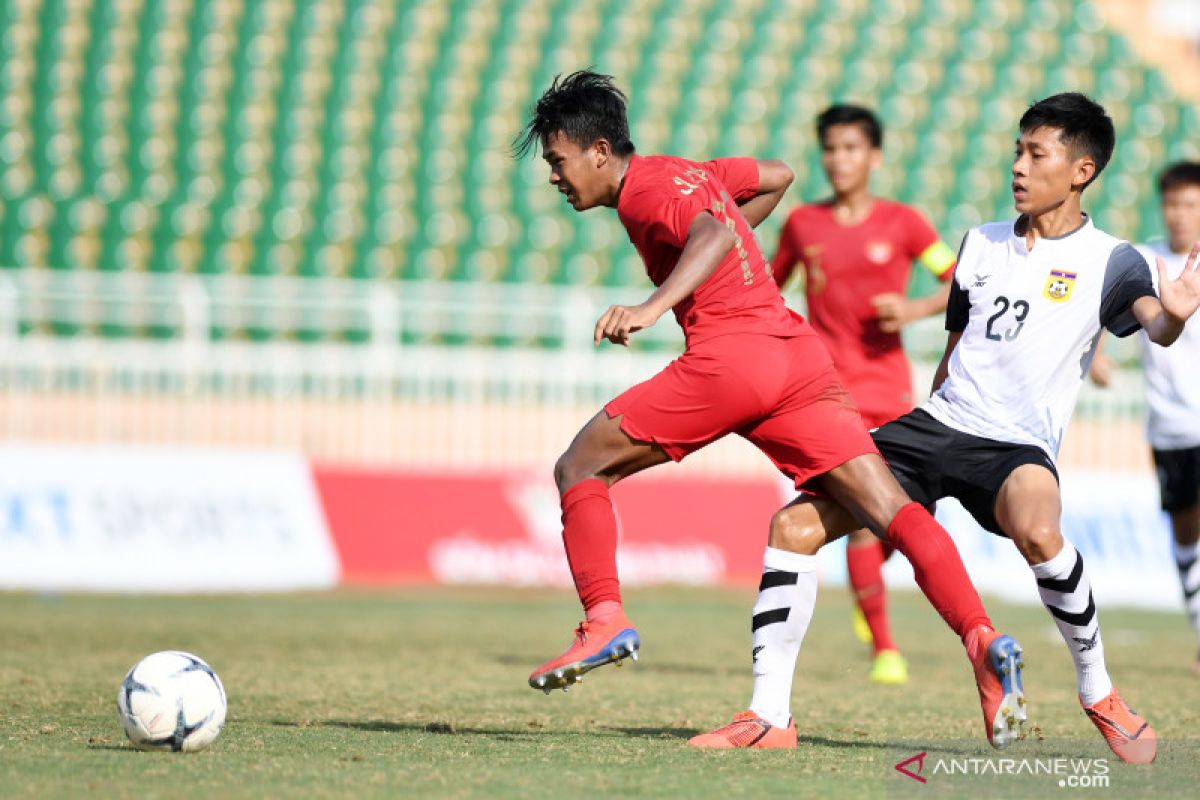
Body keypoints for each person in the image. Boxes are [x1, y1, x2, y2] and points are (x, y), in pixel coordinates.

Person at [513, 70, 1026, 751]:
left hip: (733, 359)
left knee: (580, 467)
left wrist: (654, 304)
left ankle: (603, 618)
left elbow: (713, 236)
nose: (555, 175)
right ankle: (980, 641)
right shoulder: (692, 172)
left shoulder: (648, 193)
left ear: (599, 150)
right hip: (798, 357)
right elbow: (776, 176)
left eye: (557, 160)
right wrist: (728, 234)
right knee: (890, 510)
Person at [701, 93, 1200, 763]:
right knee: (792, 528)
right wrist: (924, 426)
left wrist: (1174, 316)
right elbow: (954, 350)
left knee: (1041, 532)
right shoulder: (980, 243)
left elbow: (1156, 325)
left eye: (1036, 153)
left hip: (1016, 443)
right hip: (934, 425)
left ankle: (1099, 691)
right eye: (1017, 150)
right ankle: (768, 714)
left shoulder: (1113, 261)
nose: (1018, 165)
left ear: (1081, 170)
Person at [771, 104, 958, 685]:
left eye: (851, 148)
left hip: (892, 392)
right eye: (830, 148)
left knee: (904, 514)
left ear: (873, 157)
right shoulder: (802, 225)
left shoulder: (905, 224)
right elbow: (769, 292)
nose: (839, 160)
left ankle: (866, 584)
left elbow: (956, 281)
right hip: (828, 396)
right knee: (857, 519)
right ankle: (885, 648)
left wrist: (913, 309)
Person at [1137, 162, 1200, 671]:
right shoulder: (1144, 261)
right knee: (1186, 531)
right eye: (1173, 204)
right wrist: (1095, 359)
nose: (1181, 215)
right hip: (1170, 426)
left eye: (1192, 205)